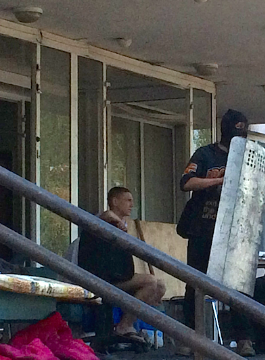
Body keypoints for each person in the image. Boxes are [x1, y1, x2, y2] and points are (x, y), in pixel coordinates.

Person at [176, 109, 249, 356]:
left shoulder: (246, 156)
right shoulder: (206, 154)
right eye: (236, 130)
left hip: (232, 231)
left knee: (238, 287)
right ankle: (191, 338)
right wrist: (219, 181)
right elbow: (186, 182)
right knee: (195, 284)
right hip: (202, 228)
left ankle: (243, 339)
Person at [78, 187, 166, 342]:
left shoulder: (120, 226)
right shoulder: (103, 222)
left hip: (117, 277)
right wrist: (115, 219)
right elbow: (105, 216)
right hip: (101, 280)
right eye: (128, 200)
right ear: (114, 201)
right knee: (150, 282)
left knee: (160, 286)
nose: (132, 204)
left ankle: (133, 327)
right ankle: (123, 327)